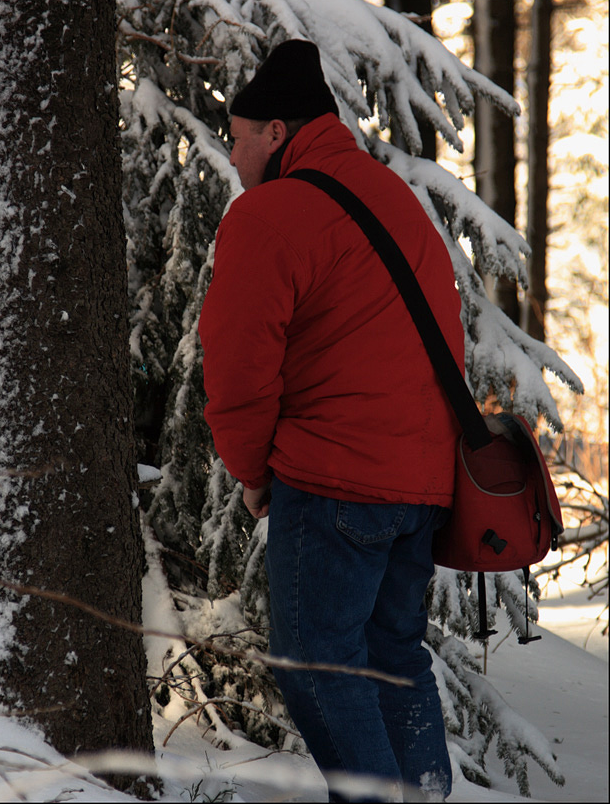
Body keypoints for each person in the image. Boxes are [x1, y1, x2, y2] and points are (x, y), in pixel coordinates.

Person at [198, 40, 462, 802]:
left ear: (276, 131)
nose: (234, 151)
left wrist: (251, 471)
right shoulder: (390, 198)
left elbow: (239, 368)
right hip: (421, 484)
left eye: (239, 134)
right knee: (393, 657)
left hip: (337, 482)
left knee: (317, 664)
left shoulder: (270, 214)